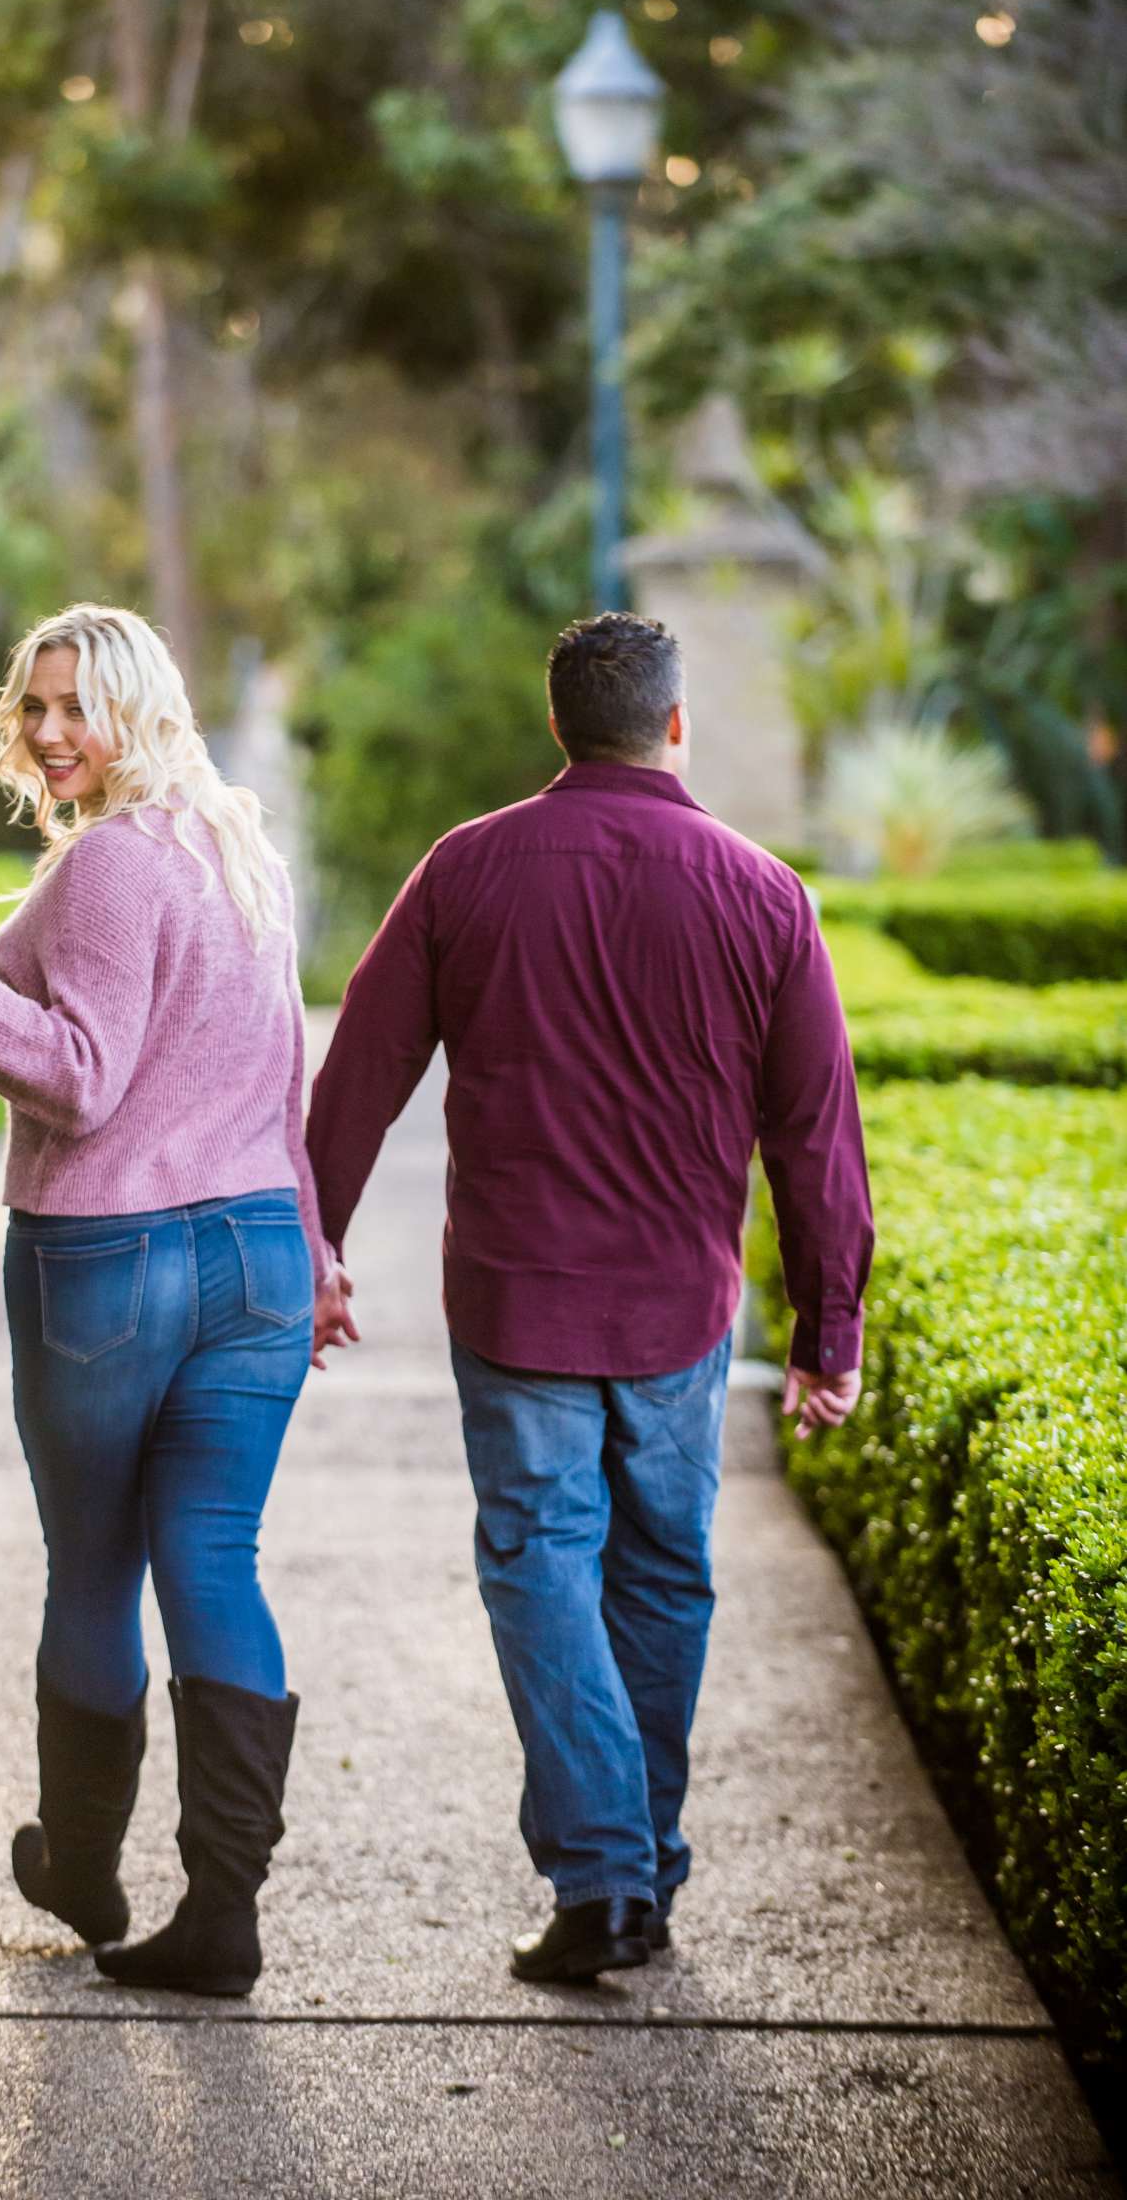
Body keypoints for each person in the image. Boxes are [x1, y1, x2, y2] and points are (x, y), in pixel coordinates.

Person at [304, 611, 873, 1985]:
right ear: (677, 724)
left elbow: (358, 1077)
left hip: (516, 1300)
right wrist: (829, 1333)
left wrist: (312, 1245)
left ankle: (607, 1879)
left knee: (540, 1562)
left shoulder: (467, 869)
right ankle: (637, 1872)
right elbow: (816, 1137)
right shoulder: (763, 893)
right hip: (682, 1304)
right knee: (661, 1572)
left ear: (554, 725)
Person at [0, 603, 340, 1998]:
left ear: (140, 710)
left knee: (95, 1566)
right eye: (34, 708)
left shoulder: (114, 867)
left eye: (78, 706)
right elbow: (278, 1081)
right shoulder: (241, 853)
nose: (52, 732)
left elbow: (79, 1077)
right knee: (214, 1558)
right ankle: (222, 1915)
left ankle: (81, 1868)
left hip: (109, 1262)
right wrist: (314, 1250)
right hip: (253, 1253)